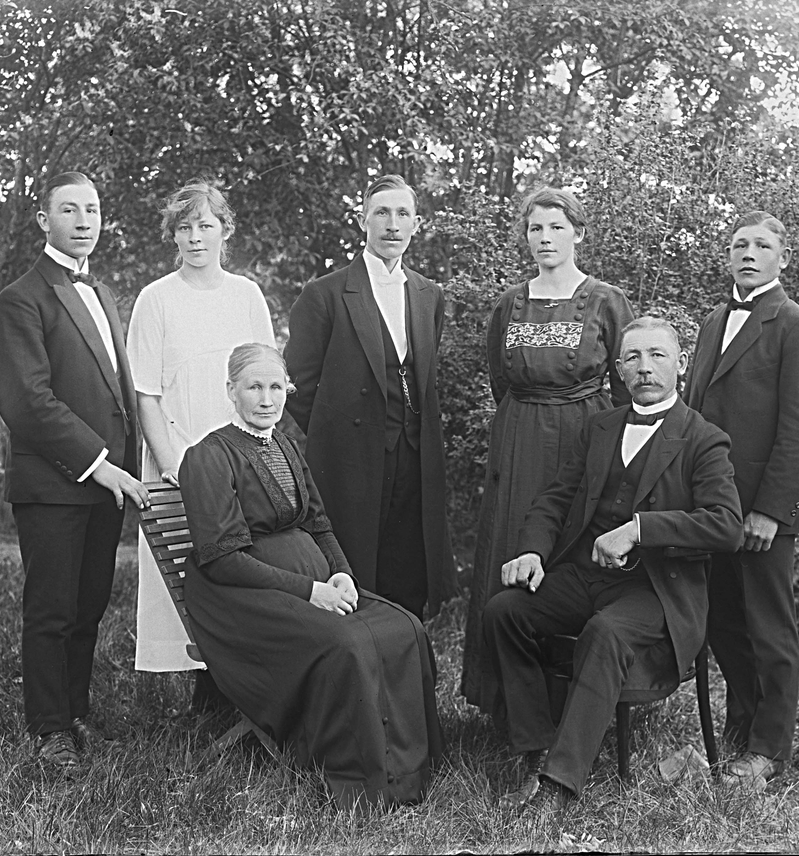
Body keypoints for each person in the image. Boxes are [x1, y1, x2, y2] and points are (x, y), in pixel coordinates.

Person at [483, 317, 743, 814]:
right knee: (505, 611)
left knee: (605, 632)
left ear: (681, 365)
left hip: (656, 590)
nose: (645, 368)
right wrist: (533, 551)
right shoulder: (600, 426)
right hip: (585, 576)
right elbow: (555, 498)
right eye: (634, 358)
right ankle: (537, 747)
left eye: (658, 356)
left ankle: (559, 786)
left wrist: (641, 528)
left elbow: (726, 525)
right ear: (619, 369)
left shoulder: (703, 439)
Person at [177, 343, 444, 809]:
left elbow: (317, 522)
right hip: (238, 598)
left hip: (314, 585)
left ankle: (407, 768)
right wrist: (309, 591)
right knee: (348, 644)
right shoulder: (209, 456)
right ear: (230, 391)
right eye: (254, 387)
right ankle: (358, 778)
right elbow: (222, 560)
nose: (266, 399)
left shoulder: (285, 445)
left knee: (406, 627)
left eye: (276, 387)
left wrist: (342, 575)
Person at [0, 171, 150, 770]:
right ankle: (49, 729)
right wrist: (102, 466)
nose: (85, 220)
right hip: (56, 484)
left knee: (88, 606)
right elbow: (28, 403)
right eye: (70, 209)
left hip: (104, 484)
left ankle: (75, 713)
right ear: (43, 219)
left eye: (93, 209)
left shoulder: (104, 293)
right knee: (53, 609)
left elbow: (116, 392)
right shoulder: (20, 299)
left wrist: (123, 466)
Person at [461, 186, 634, 713]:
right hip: (518, 442)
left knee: (571, 553)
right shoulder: (509, 303)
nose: (545, 238)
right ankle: (510, 699)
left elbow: (629, 384)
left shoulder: (605, 300)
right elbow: (500, 377)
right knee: (514, 546)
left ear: (578, 233)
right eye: (536, 228)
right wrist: (525, 423)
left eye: (557, 227)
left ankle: (573, 700)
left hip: (586, 435)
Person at [683, 211, 799, 788]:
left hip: (762, 514)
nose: (749, 253)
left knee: (770, 631)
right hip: (711, 510)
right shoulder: (713, 320)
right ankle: (740, 732)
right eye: (739, 244)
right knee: (722, 625)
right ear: (728, 256)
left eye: (762, 245)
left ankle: (769, 750)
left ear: (782, 258)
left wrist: (771, 510)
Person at [283, 174, 456, 622]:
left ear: (417, 224)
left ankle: (407, 661)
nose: (392, 224)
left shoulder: (427, 294)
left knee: (408, 565)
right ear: (363, 221)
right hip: (351, 456)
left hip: (415, 455)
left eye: (402, 214)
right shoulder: (324, 294)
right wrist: (340, 432)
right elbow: (298, 385)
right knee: (357, 568)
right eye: (381, 212)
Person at [126, 182, 275, 678]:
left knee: (245, 567)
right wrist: (175, 466)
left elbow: (264, 382)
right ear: (174, 236)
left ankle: (243, 688)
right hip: (180, 459)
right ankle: (201, 694)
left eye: (205, 225)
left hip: (242, 460)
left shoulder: (247, 295)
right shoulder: (156, 300)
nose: (195, 237)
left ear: (224, 231)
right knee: (189, 575)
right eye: (185, 228)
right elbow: (144, 392)